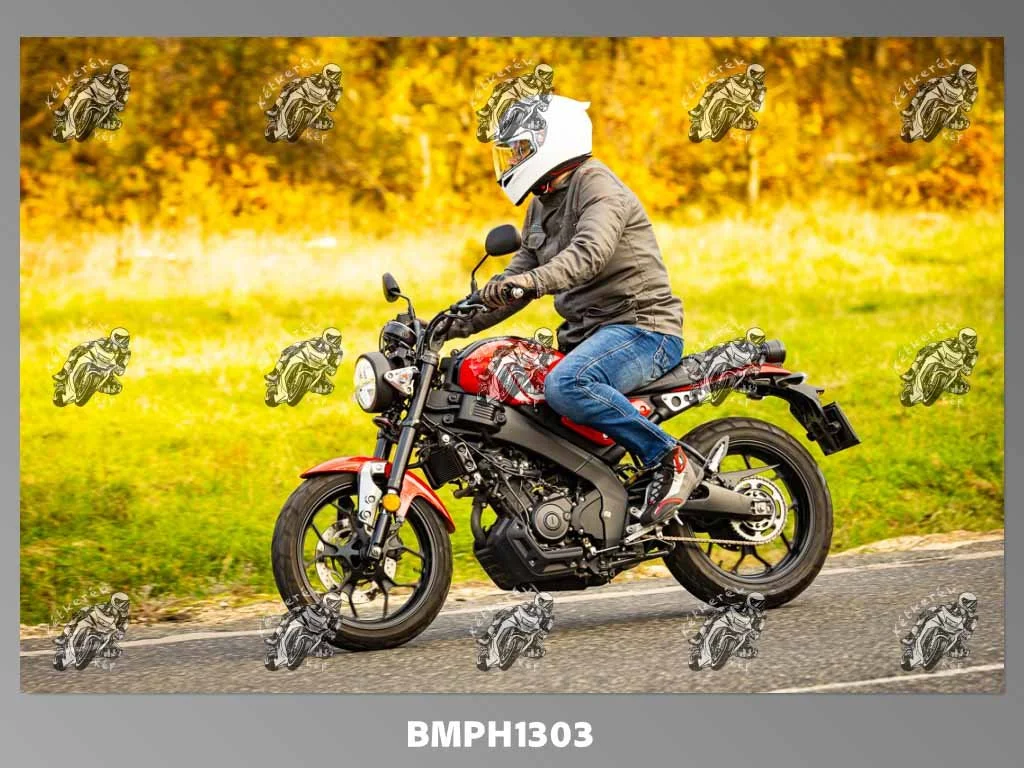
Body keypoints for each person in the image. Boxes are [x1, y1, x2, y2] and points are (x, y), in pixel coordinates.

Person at [447, 94, 700, 527]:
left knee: (568, 385)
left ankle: (668, 459)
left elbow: (589, 254)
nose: (514, 159)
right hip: (590, 338)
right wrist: (445, 325)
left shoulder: (598, 187)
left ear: (553, 141)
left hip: (643, 329)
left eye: (521, 149)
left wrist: (529, 282)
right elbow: (516, 281)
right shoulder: (541, 204)